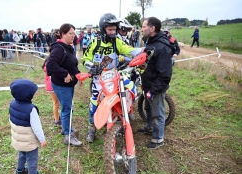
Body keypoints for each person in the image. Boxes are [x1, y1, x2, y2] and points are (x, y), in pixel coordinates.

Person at [82, 13, 143, 143]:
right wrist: (92, 67)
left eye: (114, 29)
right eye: (110, 29)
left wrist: (145, 50)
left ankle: (128, 110)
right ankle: (91, 128)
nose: (113, 32)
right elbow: (85, 59)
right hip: (99, 78)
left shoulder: (116, 41)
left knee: (132, 88)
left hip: (114, 76)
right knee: (94, 103)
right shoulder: (95, 42)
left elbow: (129, 50)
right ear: (103, 29)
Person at [138, 17, 174, 149]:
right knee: (148, 108)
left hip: (156, 87)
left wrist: (153, 90)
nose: (141, 29)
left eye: (143, 26)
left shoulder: (162, 47)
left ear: (152, 28)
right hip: (148, 84)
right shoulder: (151, 42)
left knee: (158, 112)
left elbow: (165, 75)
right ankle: (149, 126)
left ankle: (158, 138)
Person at [46, 23, 82, 146]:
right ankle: (68, 135)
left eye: (74, 33)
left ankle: (67, 129)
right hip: (62, 85)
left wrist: (78, 75)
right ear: (63, 34)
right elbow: (50, 65)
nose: (73, 36)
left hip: (69, 84)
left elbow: (71, 64)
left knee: (67, 107)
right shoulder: (58, 48)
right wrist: (65, 74)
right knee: (67, 109)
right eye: (70, 33)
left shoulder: (68, 47)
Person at [9, 79, 48, 174]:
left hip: (18, 139)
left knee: (22, 155)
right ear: (27, 95)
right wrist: (42, 140)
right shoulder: (31, 109)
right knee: (32, 159)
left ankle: (19, 173)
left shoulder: (12, 103)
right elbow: (37, 128)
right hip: (29, 142)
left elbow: (11, 119)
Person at [42, 58, 61, 126]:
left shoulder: (48, 63)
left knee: (57, 103)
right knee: (56, 103)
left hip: (51, 86)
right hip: (52, 86)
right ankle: (56, 120)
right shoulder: (51, 64)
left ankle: (57, 118)